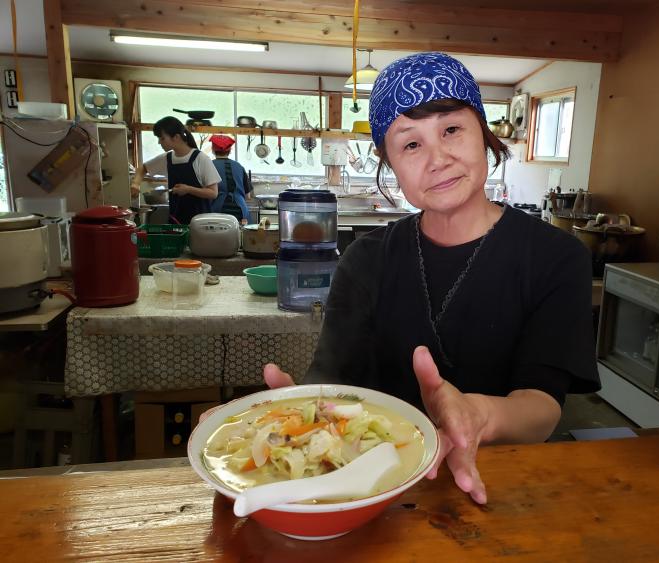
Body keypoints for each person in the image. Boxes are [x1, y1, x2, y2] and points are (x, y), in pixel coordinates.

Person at [262, 52, 601, 504]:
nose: (438, 159)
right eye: (411, 144)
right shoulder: (365, 260)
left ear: (484, 132)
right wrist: (284, 420)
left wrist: (479, 414)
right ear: (390, 163)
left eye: (452, 130)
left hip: (504, 483)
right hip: (378, 488)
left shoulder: (556, 257)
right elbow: (331, 381)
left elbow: (542, 406)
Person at [130, 116, 220, 225]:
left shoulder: (200, 158)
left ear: (176, 137)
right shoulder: (167, 158)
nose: (159, 142)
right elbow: (142, 168)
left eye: (162, 138)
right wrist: (135, 184)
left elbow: (213, 193)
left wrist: (188, 189)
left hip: (200, 224)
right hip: (176, 221)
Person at [208, 135, 252, 225]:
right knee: (239, 237)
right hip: (240, 212)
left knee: (218, 237)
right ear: (230, 150)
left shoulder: (209, 166)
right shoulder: (239, 166)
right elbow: (248, 196)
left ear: (213, 149)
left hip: (218, 212)